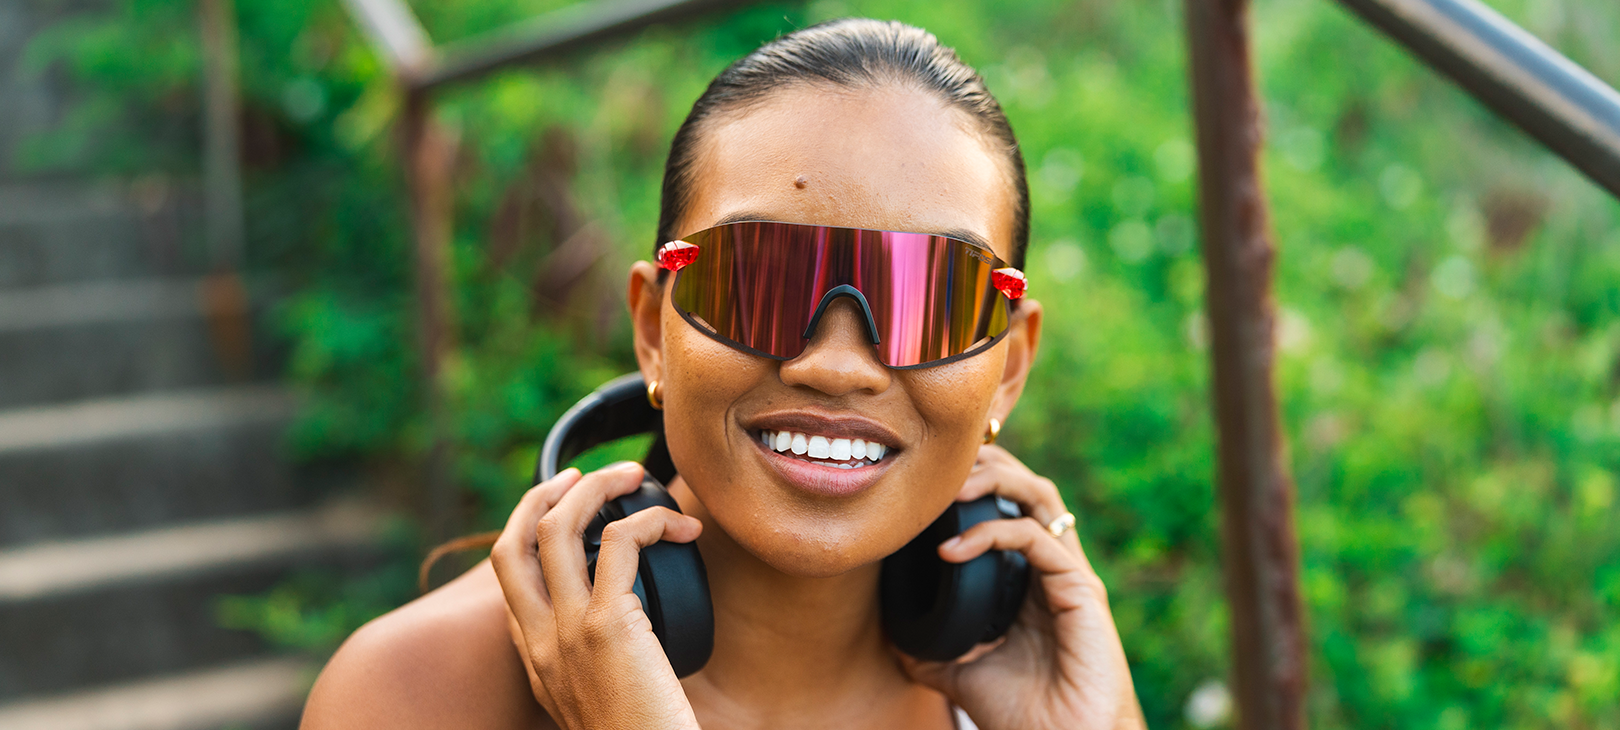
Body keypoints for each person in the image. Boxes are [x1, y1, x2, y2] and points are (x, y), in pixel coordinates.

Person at [301, 18, 1144, 730]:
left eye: (932, 297)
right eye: (759, 282)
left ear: (1008, 367)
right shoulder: (413, 692)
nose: (836, 364)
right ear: (653, 330)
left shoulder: (1046, 701)